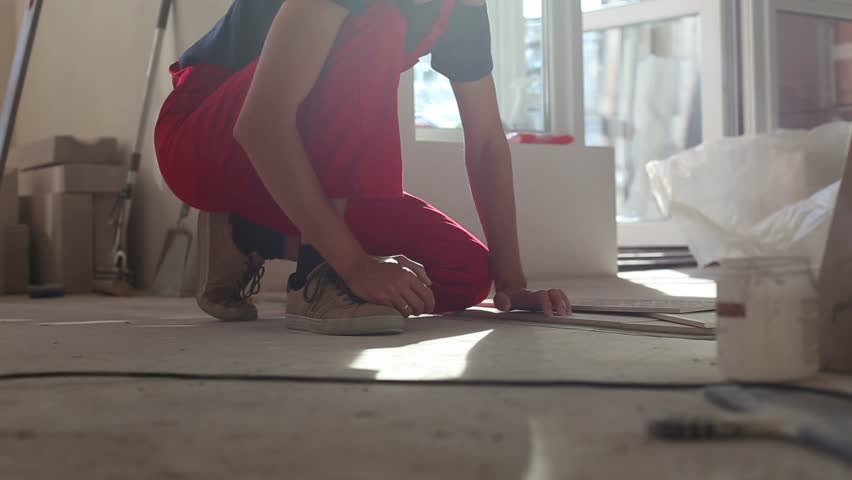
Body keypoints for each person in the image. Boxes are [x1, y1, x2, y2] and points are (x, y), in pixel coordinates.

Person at [154, 0, 571, 335]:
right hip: (202, 145)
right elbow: (260, 124)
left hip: (291, 162)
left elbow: (485, 143)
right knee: (380, 19)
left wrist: (512, 283)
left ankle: (244, 235)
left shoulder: (463, 9)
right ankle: (315, 273)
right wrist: (354, 265)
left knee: (467, 273)